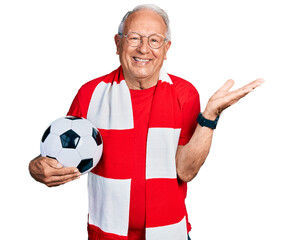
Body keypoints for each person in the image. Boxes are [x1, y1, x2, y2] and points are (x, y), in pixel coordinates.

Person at [29, 4, 264, 240]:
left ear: (166, 48)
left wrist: (210, 116)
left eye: (154, 40)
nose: (143, 49)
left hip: (170, 232)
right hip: (106, 234)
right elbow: (61, 156)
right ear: (118, 43)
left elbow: (185, 171)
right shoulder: (91, 93)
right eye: (134, 38)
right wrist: (37, 168)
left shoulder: (184, 93)